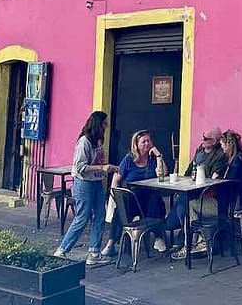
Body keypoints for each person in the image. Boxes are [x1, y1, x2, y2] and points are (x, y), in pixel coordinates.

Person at [54, 111, 119, 264]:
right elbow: (80, 167)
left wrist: (106, 168)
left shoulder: (98, 140)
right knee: (82, 217)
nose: (106, 126)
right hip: (84, 183)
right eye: (104, 123)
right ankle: (62, 250)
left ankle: (94, 252)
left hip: (96, 182)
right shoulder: (84, 142)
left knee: (100, 216)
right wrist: (102, 168)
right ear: (98, 124)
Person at [100, 130, 169, 257]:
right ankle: (111, 243)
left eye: (149, 141)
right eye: (143, 142)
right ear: (136, 145)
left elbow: (163, 173)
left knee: (156, 200)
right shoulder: (129, 159)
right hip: (132, 197)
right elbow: (116, 178)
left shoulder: (153, 159)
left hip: (148, 197)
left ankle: (158, 237)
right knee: (120, 209)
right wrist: (115, 197)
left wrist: (158, 155)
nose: (147, 144)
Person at [166, 126, 227, 252]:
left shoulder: (219, 156)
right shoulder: (199, 151)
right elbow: (188, 171)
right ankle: (184, 237)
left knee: (184, 203)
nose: (202, 140)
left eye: (205, 138)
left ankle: (175, 229)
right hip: (194, 190)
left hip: (207, 195)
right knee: (183, 199)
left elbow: (212, 179)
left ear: (214, 141)